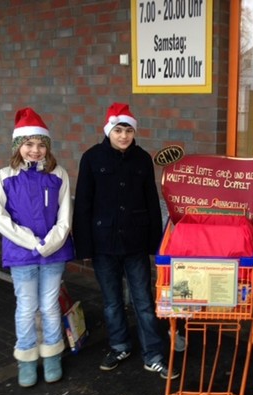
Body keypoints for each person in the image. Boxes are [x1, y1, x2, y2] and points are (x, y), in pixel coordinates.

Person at [72, 103, 179, 379]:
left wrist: (157, 243)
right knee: (111, 301)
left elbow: (150, 202)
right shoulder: (92, 158)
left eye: (128, 130)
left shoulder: (142, 159)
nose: (123, 136)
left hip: (135, 242)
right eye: (118, 130)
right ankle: (119, 345)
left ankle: (153, 354)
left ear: (134, 132)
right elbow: (83, 203)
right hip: (103, 242)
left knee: (144, 300)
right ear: (109, 130)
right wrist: (83, 245)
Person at [0, 107, 75, 387]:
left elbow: (65, 214)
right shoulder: (4, 176)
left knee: (49, 305)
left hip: (53, 253)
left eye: (40, 145)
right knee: (26, 306)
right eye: (29, 144)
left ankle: (52, 355)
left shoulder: (58, 174)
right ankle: (26, 359)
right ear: (18, 146)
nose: (35, 150)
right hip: (21, 253)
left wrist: (51, 242)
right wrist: (30, 241)